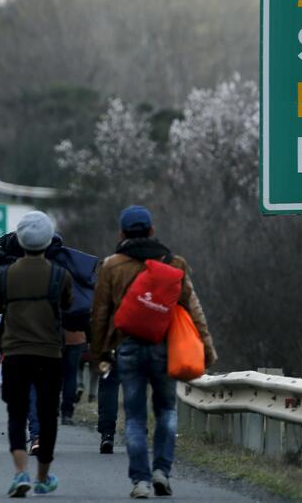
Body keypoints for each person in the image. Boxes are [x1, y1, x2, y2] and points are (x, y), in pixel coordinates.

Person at [91, 205, 217, 499]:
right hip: (164, 347)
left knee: (134, 417)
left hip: (128, 347)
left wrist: (98, 353)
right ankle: (162, 471)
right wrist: (206, 349)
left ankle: (141, 481)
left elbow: (99, 315)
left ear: (122, 233)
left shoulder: (111, 266)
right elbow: (192, 308)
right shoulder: (174, 263)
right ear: (151, 231)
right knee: (166, 410)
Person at [0, 210, 71, 497]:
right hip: (49, 354)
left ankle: (20, 472)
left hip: (15, 352)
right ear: (49, 240)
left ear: (20, 240)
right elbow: (68, 303)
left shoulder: (4, 275)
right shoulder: (60, 275)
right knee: (48, 415)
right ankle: (42, 476)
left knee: (17, 412)